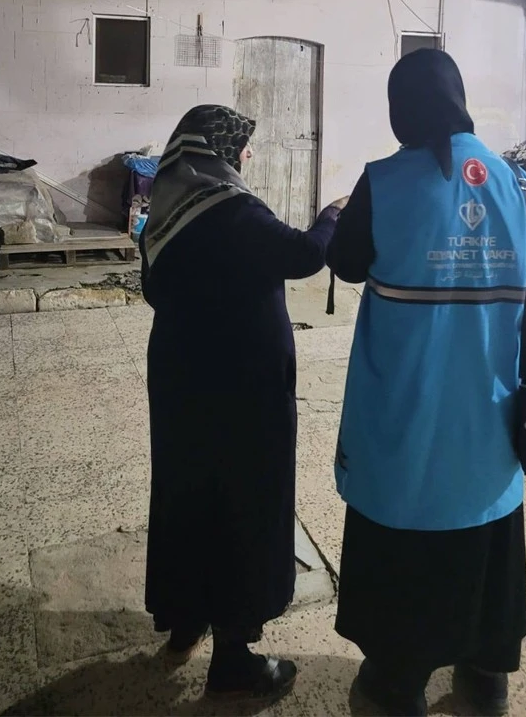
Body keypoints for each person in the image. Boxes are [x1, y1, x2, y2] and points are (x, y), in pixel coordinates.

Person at [327, 50, 526, 717]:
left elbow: (345, 262)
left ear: (400, 109)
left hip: (403, 420)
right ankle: (485, 680)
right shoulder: (516, 185)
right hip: (488, 424)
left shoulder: (383, 183)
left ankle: (397, 682)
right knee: (485, 543)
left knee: (402, 548)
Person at [140, 105, 346, 704]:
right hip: (240, 388)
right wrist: (332, 215)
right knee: (243, 499)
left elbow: (154, 290)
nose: (247, 155)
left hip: (181, 381)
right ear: (219, 151)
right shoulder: (232, 210)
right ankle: (233, 659)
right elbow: (304, 255)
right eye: (241, 145)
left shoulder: (166, 211)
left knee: (188, 491)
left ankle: (186, 618)